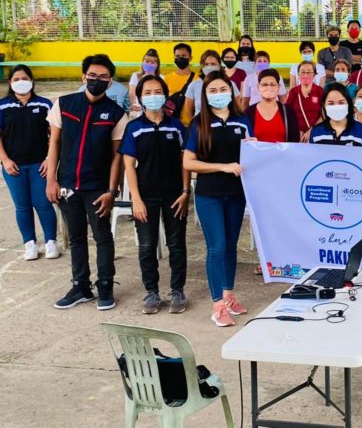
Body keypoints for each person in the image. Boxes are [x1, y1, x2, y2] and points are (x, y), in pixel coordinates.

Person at [47, 54, 129, 310]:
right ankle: (80, 286)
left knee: (103, 237)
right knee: (76, 237)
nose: (96, 80)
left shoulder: (116, 114)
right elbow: (55, 144)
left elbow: (117, 157)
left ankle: (105, 286)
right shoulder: (64, 104)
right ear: (83, 77)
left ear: (110, 81)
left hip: (98, 188)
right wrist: (51, 180)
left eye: (103, 77)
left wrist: (111, 190)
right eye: (92, 76)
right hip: (68, 185)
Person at [182, 71, 253, 327]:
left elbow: (251, 155)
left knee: (232, 246)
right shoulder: (199, 123)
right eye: (212, 90)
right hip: (209, 194)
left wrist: (254, 149)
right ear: (205, 95)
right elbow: (188, 162)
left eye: (223, 88)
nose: (219, 94)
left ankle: (228, 295)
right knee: (217, 247)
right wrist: (222, 167)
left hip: (236, 194)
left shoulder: (242, 121)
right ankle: (217, 305)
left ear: (231, 91)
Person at [120, 75, 191, 315]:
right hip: (145, 197)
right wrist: (135, 200)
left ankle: (177, 291)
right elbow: (129, 166)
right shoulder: (134, 128)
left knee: (177, 245)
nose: (153, 96)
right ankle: (151, 292)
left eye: (157, 91)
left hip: (174, 195)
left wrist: (185, 191)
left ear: (165, 94)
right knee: (147, 246)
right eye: (147, 92)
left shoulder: (176, 126)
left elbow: (185, 161)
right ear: (140, 97)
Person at [0, 64, 58, 261]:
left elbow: (55, 135)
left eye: (24, 78)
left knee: (43, 203)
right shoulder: (1, 106)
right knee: (22, 206)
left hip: (39, 165)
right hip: (14, 166)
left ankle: (51, 241)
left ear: (32, 81)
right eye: (16, 79)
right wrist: (5, 160)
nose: (21, 82)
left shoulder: (44, 104)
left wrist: (49, 160)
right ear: (10, 83)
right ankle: (30, 244)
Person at [183, 50, 242, 123]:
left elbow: (237, 107)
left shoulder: (230, 84)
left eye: (213, 64)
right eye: (206, 64)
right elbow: (188, 109)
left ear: (219, 65)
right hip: (202, 127)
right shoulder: (194, 85)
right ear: (202, 66)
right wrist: (196, 125)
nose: (209, 67)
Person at [245, 69, 300, 143]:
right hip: (256, 154)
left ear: (278, 87)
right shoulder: (249, 112)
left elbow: (294, 140)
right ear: (258, 87)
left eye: (272, 84)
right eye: (264, 84)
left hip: (283, 154)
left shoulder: (288, 111)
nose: (269, 88)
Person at [164, 43, 198, 126]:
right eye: (177, 56)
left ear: (190, 58)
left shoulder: (198, 79)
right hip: (171, 124)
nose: (180, 58)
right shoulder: (167, 78)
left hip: (190, 124)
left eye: (183, 55)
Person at [287, 62, 322, 141]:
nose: (305, 75)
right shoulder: (293, 92)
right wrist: (296, 130)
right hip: (297, 135)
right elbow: (288, 114)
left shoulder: (320, 91)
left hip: (316, 134)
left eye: (309, 72)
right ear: (298, 75)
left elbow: (324, 115)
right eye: (302, 72)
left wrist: (311, 131)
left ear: (314, 75)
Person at [128, 48, 161, 114]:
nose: (149, 64)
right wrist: (132, 105)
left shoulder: (161, 78)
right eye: (147, 61)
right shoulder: (136, 76)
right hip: (140, 110)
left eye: (152, 62)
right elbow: (132, 93)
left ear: (157, 65)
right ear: (142, 62)